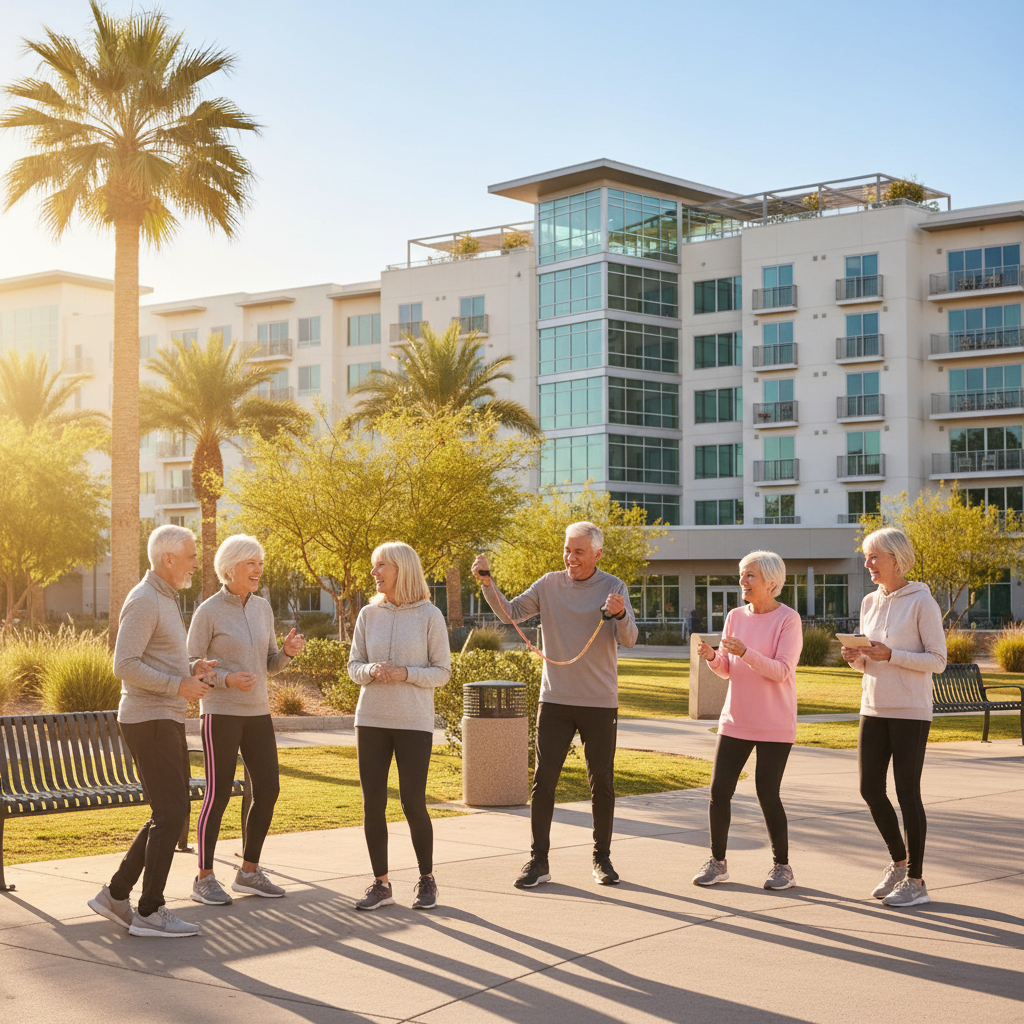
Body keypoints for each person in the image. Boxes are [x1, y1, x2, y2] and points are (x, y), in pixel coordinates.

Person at [471, 521, 638, 889]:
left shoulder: (613, 587)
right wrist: (487, 582)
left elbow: (630, 639)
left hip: (599, 703)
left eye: (579, 551)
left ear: (597, 554)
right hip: (555, 700)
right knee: (543, 781)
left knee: (602, 783)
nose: (570, 557)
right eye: (567, 549)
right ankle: (538, 861)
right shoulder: (548, 584)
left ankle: (602, 859)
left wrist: (622, 613)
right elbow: (509, 613)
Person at [87, 525, 216, 938]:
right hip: (149, 718)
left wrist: (188, 671)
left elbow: (153, 657)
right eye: (192, 555)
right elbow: (123, 664)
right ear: (169, 559)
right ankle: (149, 911)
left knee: (168, 811)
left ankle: (116, 894)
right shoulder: (145, 599)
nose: (197, 562)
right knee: (172, 812)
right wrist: (176, 684)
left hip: (164, 716)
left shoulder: (165, 598)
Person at [186, 535, 305, 906]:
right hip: (220, 714)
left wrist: (285, 653)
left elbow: (269, 663)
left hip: (257, 712)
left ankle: (249, 872)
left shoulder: (263, 609)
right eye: (251, 562)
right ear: (230, 567)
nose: (258, 569)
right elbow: (189, 666)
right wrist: (225, 680)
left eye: (260, 562)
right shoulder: (208, 611)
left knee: (268, 789)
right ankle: (203, 878)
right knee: (217, 795)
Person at [841, 527, 945, 908]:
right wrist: (859, 659)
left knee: (907, 794)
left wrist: (892, 655)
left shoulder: (923, 603)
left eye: (874, 557)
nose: (867, 563)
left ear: (896, 560)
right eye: (867, 556)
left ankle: (916, 881)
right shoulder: (870, 602)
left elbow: (938, 661)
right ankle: (899, 863)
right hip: (873, 707)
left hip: (910, 712)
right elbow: (872, 661)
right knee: (870, 788)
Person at [347, 542, 451, 911]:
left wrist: (405, 673)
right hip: (371, 720)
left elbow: (442, 673)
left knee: (412, 803)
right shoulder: (367, 615)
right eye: (374, 566)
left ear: (402, 569)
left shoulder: (430, 615)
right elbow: (353, 665)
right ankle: (381, 884)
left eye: (381, 566)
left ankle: (427, 880)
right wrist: (371, 670)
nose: (374, 573)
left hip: (413, 723)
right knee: (372, 804)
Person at [692, 550, 803, 890]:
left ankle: (782, 867)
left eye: (749, 576)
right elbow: (727, 670)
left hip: (774, 722)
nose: (742, 581)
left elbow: (782, 670)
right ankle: (717, 862)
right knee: (718, 791)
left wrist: (744, 653)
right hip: (735, 719)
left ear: (771, 582)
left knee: (767, 793)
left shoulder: (788, 620)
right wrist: (713, 657)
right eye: (741, 575)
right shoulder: (735, 617)